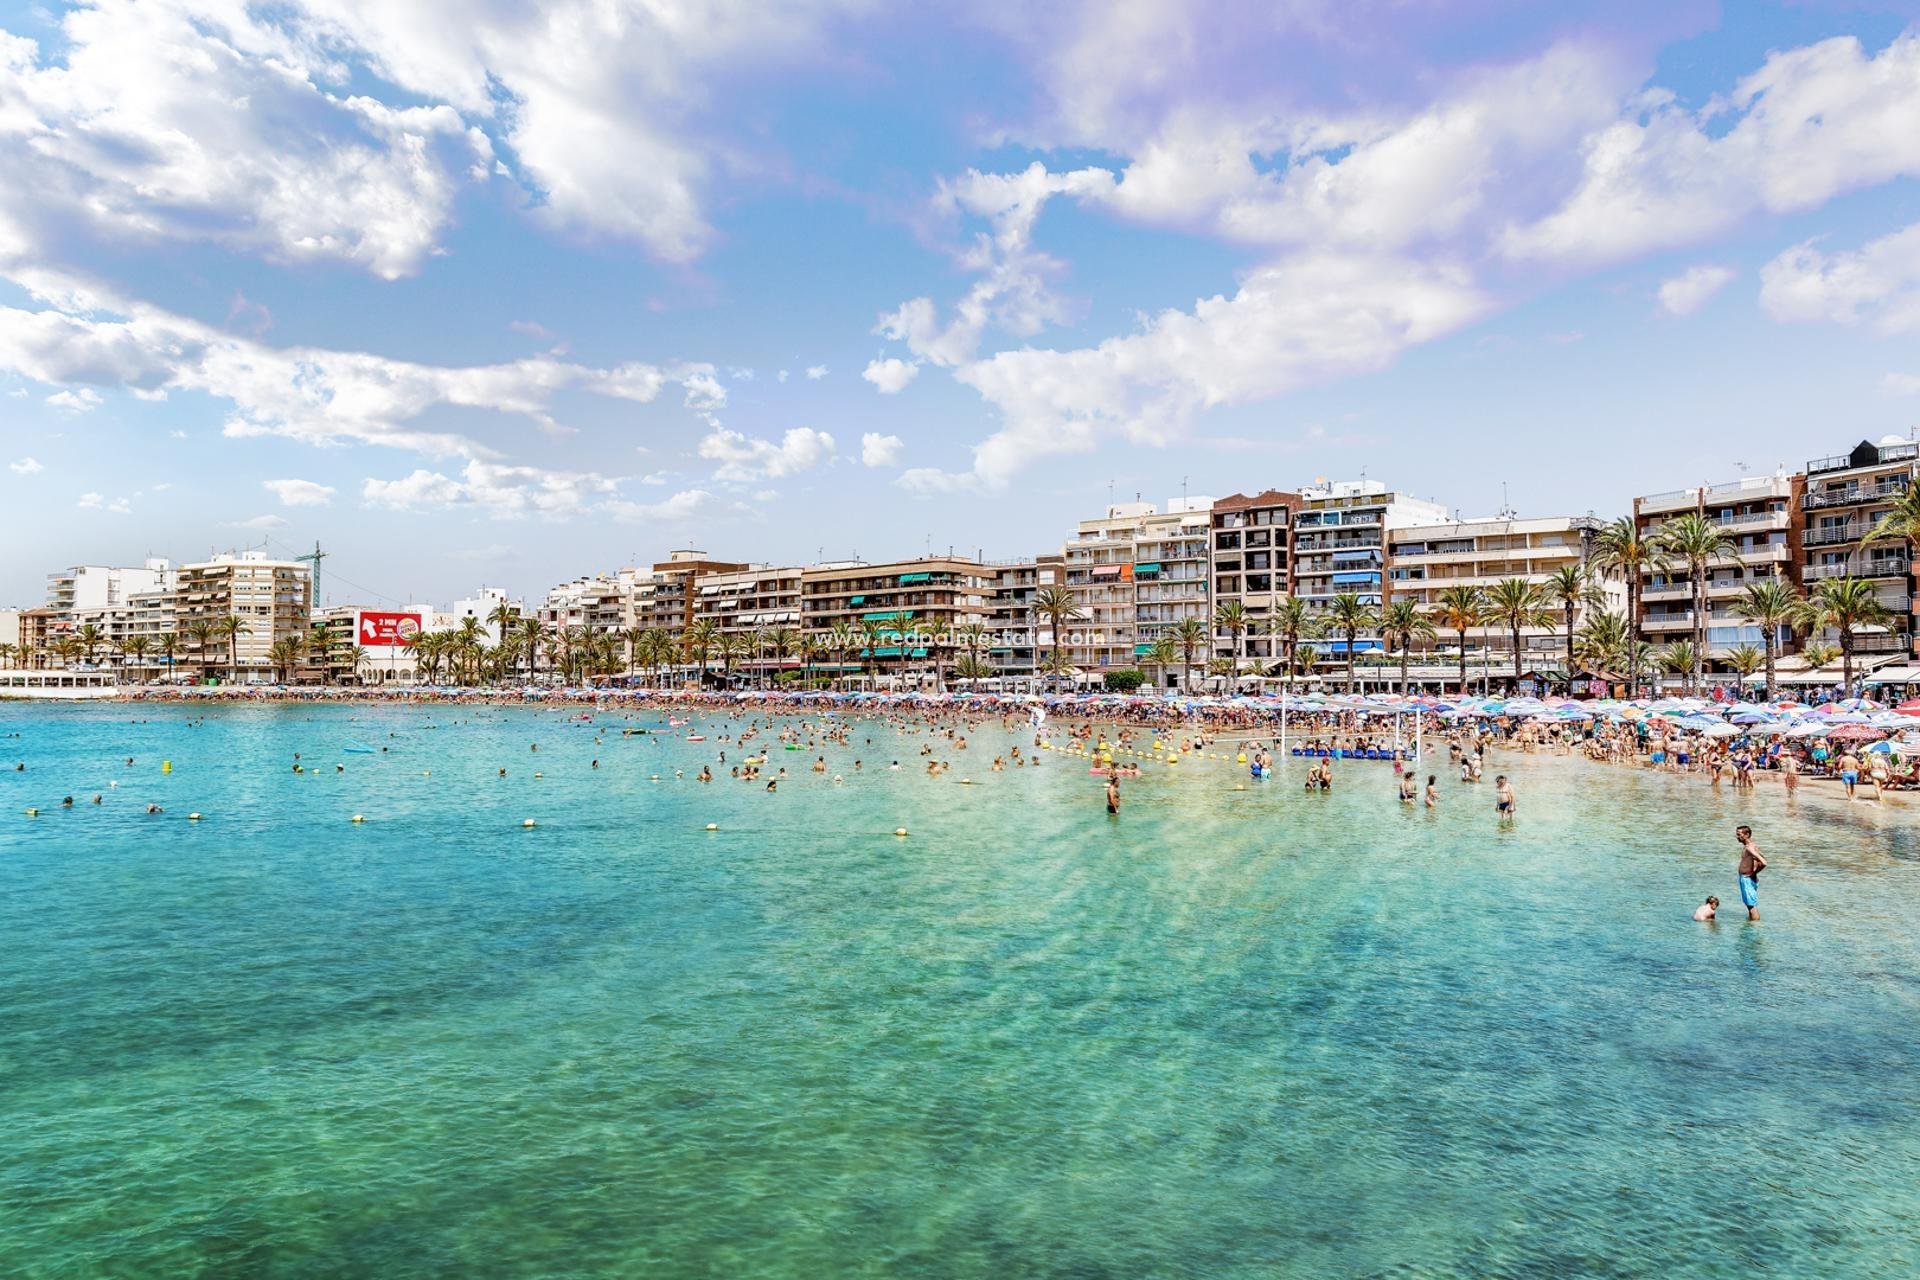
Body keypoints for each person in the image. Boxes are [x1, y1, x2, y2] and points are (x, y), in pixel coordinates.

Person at [1736, 825, 1766, 921]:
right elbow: (1758, 860)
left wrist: (1753, 873)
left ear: (1747, 835)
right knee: (1750, 905)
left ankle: (1755, 926)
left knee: (1752, 906)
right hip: (1746, 878)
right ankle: (1751, 923)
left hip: (1747, 879)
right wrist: (1754, 874)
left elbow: (1763, 862)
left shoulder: (1750, 848)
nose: (1737, 837)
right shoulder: (1750, 846)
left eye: (1739, 834)